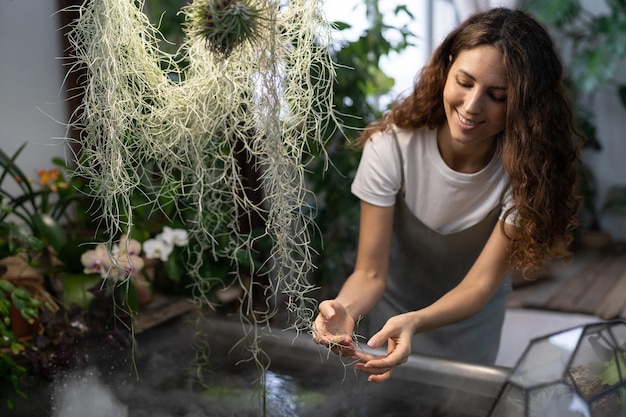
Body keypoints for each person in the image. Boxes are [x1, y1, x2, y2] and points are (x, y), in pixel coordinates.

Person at [311, 7, 581, 383]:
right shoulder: (392, 149)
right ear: (447, 65)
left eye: (497, 96)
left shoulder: (526, 173)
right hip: (387, 322)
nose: (471, 106)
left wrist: (417, 322)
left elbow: (478, 285)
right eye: (465, 82)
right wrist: (344, 308)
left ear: (524, 103)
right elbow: (370, 273)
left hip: (470, 327)